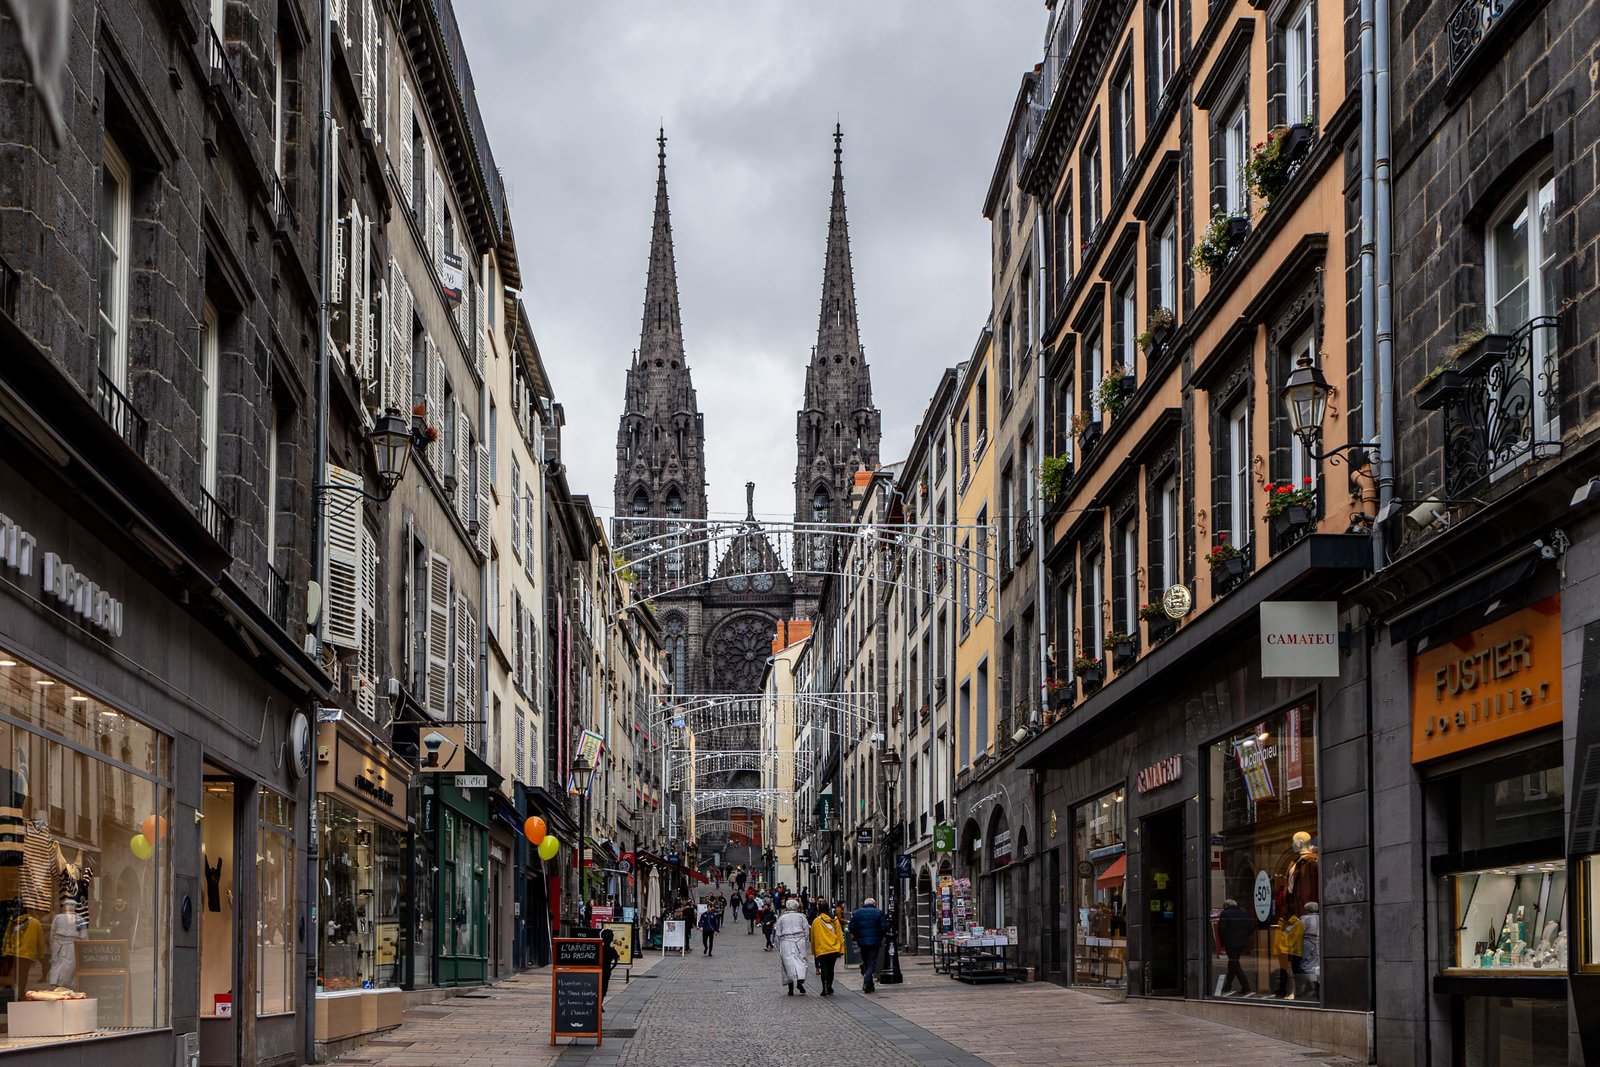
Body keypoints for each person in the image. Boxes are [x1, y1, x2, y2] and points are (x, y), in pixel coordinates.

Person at [849, 896, 888, 993]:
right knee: (871, 963)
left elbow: (851, 927)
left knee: (866, 961)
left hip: (862, 942)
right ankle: (866, 982)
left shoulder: (856, 913)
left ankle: (870, 985)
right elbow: (884, 927)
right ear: (874, 904)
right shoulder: (879, 913)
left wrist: (857, 935)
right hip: (874, 942)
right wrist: (880, 936)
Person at [1217, 897, 1254, 996]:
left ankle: (1245, 985)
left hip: (1230, 943)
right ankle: (1228, 985)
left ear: (1226, 906)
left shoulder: (1225, 913)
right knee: (1233, 962)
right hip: (1242, 942)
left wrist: (1223, 942)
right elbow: (1251, 929)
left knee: (1234, 963)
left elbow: (1221, 929)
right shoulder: (1245, 913)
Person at [775, 898, 811, 995]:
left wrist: (778, 945)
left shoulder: (782, 918)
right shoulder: (801, 917)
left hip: (786, 942)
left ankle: (790, 988)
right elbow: (806, 931)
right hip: (799, 941)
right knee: (801, 962)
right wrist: (805, 943)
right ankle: (800, 982)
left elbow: (778, 933)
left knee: (788, 964)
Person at [810, 898, 844, 996]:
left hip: (821, 949)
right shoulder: (834, 920)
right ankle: (829, 986)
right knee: (831, 968)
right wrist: (841, 949)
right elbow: (839, 935)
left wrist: (814, 951)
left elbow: (813, 937)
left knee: (824, 968)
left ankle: (824, 988)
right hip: (833, 948)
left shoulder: (816, 921)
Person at [600, 928, 621, 997]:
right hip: (607, 970)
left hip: (600, 970)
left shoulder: (600, 949)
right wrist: (611, 969)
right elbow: (616, 962)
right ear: (611, 939)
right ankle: (601, 1001)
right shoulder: (612, 950)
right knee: (604, 987)